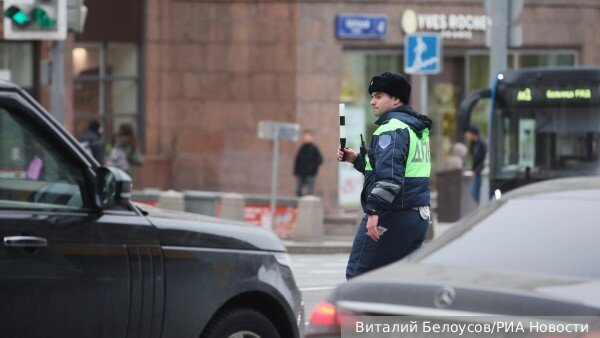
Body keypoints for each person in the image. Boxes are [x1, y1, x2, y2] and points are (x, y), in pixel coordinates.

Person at [337, 72, 432, 280]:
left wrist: (373, 211)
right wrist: (356, 160)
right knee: (401, 280)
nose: (372, 101)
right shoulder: (415, 129)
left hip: (393, 213)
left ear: (395, 99)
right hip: (418, 216)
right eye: (372, 96)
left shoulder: (392, 129)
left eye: (378, 96)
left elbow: (390, 179)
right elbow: (392, 170)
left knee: (358, 274)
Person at [293, 130, 323, 196]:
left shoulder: (314, 149)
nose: (306, 138)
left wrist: (312, 167)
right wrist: (296, 172)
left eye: (307, 137)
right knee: (298, 190)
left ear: (311, 138)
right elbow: (297, 160)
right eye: (305, 137)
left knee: (309, 191)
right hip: (301, 173)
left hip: (310, 174)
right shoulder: (301, 148)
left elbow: (320, 160)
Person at [464, 125, 486, 204]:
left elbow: (484, 159)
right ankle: (481, 205)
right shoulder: (473, 143)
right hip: (476, 171)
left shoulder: (482, 143)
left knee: (475, 192)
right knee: (474, 192)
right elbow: (472, 156)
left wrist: (476, 171)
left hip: (480, 172)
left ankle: (483, 206)